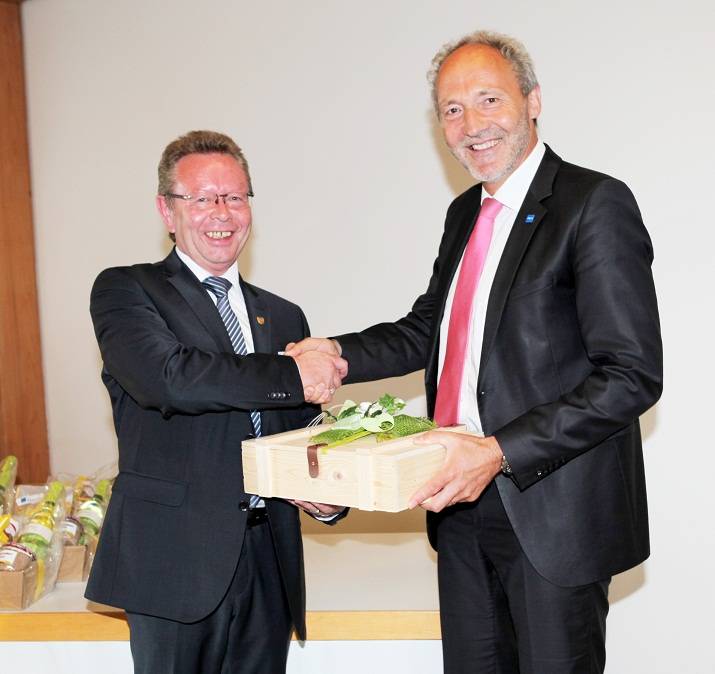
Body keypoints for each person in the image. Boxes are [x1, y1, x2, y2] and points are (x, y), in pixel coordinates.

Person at [287, 31, 662, 673]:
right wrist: (337, 354)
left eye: (488, 99)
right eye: (452, 110)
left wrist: (495, 452)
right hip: (458, 510)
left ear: (533, 100)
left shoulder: (593, 203)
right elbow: (428, 327)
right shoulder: (464, 212)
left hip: (552, 518)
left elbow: (631, 376)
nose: (471, 124)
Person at [86, 130, 347, 674]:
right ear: (167, 210)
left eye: (235, 196)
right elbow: (170, 379)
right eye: (202, 198)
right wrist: (292, 373)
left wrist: (327, 496)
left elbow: (301, 432)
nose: (221, 213)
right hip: (173, 563)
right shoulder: (127, 291)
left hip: (268, 558)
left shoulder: (284, 315)